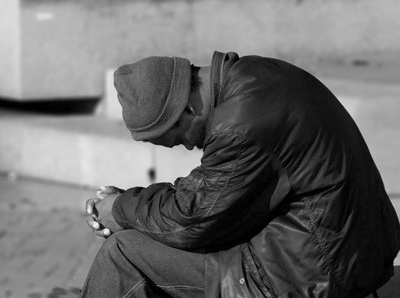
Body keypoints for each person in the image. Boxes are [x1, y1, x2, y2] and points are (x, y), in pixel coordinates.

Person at [82, 51, 400, 297]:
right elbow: (210, 196)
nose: (185, 147)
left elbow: (192, 219)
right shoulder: (255, 76)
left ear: (188, 109)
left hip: (312, 274)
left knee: (122, 253)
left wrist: (120, 209)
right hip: (345, 253)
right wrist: (131, 206)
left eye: (175, 138)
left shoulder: (240, 122)